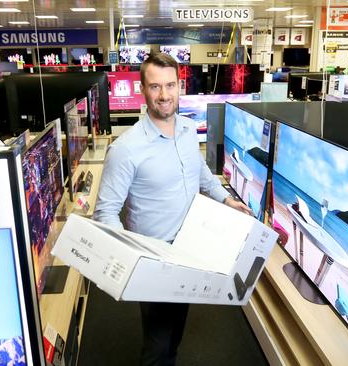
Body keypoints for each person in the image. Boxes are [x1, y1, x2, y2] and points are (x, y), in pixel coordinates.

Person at [93, 52, 252, 366]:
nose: (164, 95)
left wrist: (225, 199)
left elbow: (201, 173)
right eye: (155, 87)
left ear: (180, 86)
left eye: (170, 86)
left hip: (190, 250)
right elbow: (105, 213)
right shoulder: (126, 149)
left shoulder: (189, 130)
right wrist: (130, 261)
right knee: (157, 343)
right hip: (154, 258)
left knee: (174, 333)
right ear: (142, 89)